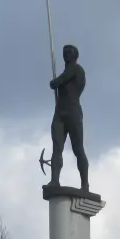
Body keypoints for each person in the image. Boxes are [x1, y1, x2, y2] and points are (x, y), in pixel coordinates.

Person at [48, 45, 89, 191]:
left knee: (78, 149)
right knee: (57, 148)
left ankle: (85, 183)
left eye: (69, 52)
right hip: (60, 113)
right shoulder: (66, 72)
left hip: (73, 112)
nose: (66, 54)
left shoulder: (77, 69)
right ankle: (54, 180)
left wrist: (55, 82)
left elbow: (62, 79)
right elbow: (61, 79)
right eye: (65, 52)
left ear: (75, 55)